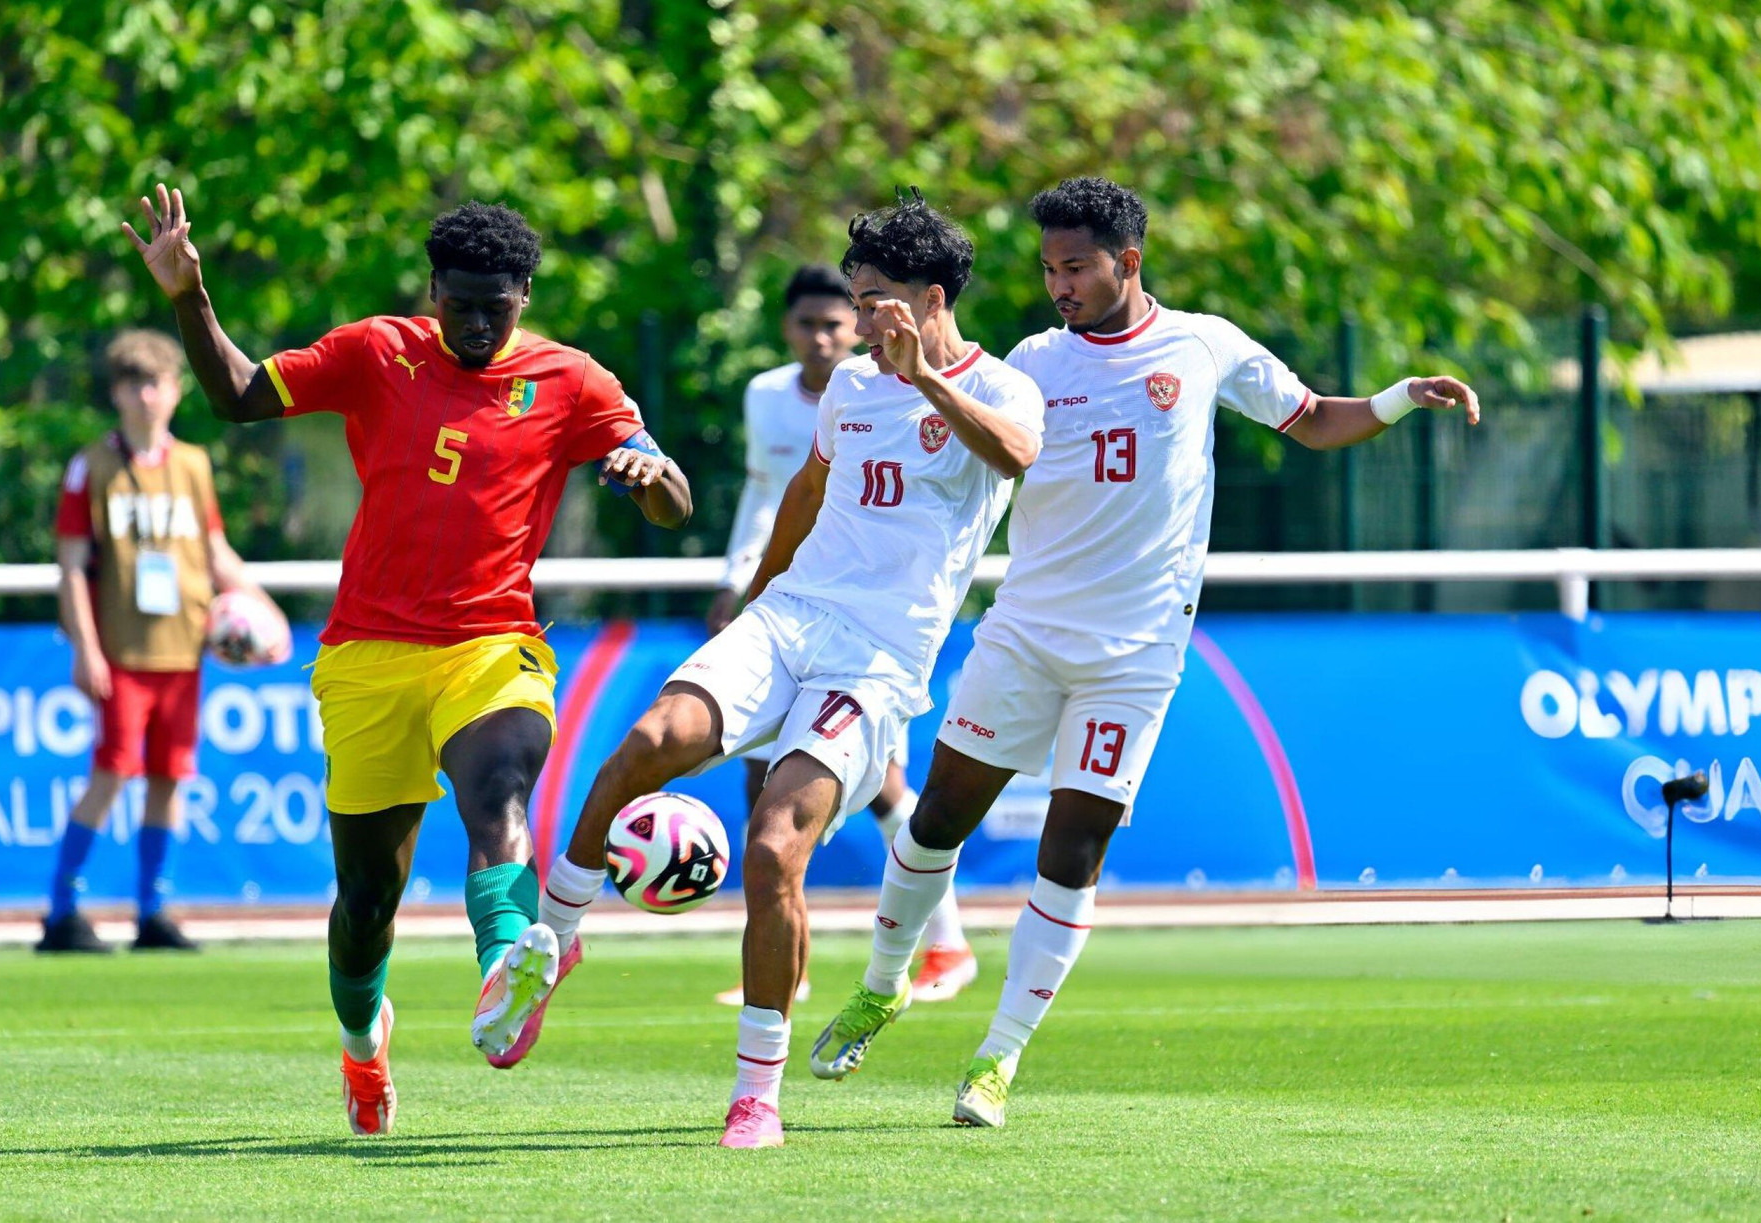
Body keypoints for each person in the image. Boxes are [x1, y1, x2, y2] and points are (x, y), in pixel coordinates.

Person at [812, 176, 1482, 1128]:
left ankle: (996, 1059)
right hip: (1027, 631)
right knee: (936, 823)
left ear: (1128, 260)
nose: (1060, 284)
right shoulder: (1030, 363)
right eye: (1048, 268)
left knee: (1071, 848)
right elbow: (956, 438)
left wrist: (1400, 395)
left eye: (1076, 265)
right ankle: (884, 984)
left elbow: (1315, 420)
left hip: (1136, 653)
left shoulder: (1203, 345)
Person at [120, 184, 691, 1136]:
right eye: (457, 299)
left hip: (492, 646)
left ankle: (509, 963)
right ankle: (361, 1038)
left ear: (526, 297)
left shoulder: (574, 381)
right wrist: (190, 298)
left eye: (494, 305)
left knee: (500, 786)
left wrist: (651, 478)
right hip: (369, 655)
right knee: (369, 899)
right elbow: (235, 396)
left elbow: (670, 495)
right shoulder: (378, 350)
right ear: (432, 287)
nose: (472, 320)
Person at [533, 192, 1043, 1149]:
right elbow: (808, 494)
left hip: (881, 659)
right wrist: (756, 603)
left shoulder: (1002, 388)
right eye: (856, 297)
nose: (860, 316)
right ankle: (558, 928)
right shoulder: (848, 387)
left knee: (772, 850)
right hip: (790, 617)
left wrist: (927, 377)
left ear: (933, 299)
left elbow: (1015, 457)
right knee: (649, 740)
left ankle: (755, 1095)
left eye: (880, 297)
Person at [708, 264, 976, 1008]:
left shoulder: (888, 383)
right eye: (810, 324)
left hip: (868, 613)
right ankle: (785, 962)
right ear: (788, 329)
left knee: (884, 783)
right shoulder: (768, 395)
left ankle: (947, 942)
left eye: (837, 322)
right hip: (788, 601)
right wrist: (740, 582)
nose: (825, 336)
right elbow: (773, 494)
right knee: (759, 782)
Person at [38, 329, 279, 955]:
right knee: (112, 770)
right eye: (136, 384)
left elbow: (214, 551)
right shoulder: (91, 467)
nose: (149, 396)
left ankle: (152, 910)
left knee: (170, 778)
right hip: (121, 650)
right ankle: (62, 910)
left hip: (184, 648)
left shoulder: (194, 466)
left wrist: (264, 609)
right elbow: (69, 567)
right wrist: (84, 648)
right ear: (118, 394)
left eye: (160, 384)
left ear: (176, 392)